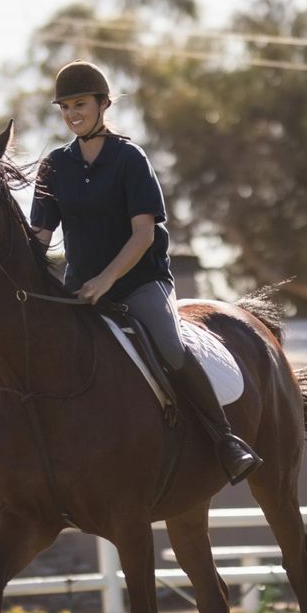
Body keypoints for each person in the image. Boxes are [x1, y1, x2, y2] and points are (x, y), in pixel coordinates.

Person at [30, 59, 262, 485]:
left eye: (79, 104)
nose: (71, 114)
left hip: (139, 283)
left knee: (171, 347)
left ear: (103, 104)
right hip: (81, 288)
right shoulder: (54, 166)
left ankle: (225, 440)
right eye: (64, 108)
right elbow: (40, 237)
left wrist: (106, 281)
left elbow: (142, 235)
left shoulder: (129, 159)